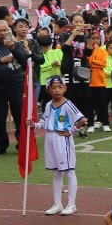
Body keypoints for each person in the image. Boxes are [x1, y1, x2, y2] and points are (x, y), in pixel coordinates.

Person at [34, 76, 87, 215]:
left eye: (59, 87)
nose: (56, 90)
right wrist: (33, 125)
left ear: (65, 88)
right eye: (53, 88)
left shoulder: (68, 104)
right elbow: (45, 122)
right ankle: (57, 204)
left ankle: (71, 204)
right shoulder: (48, 105)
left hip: (62, 139)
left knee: (69, 171)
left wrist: (71, 131)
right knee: (56, 172)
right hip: (50, 138)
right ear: (48, 90)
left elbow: (82, 120)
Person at [0, 20, 31, 157]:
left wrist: (13, 49)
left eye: (5, 30)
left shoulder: (16, 44)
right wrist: (0, 61)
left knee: (19, 115)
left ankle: (22, 144)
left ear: (9, 30)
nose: (3, 33)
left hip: (16, 84)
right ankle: (0, 145)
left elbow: (24, 61)